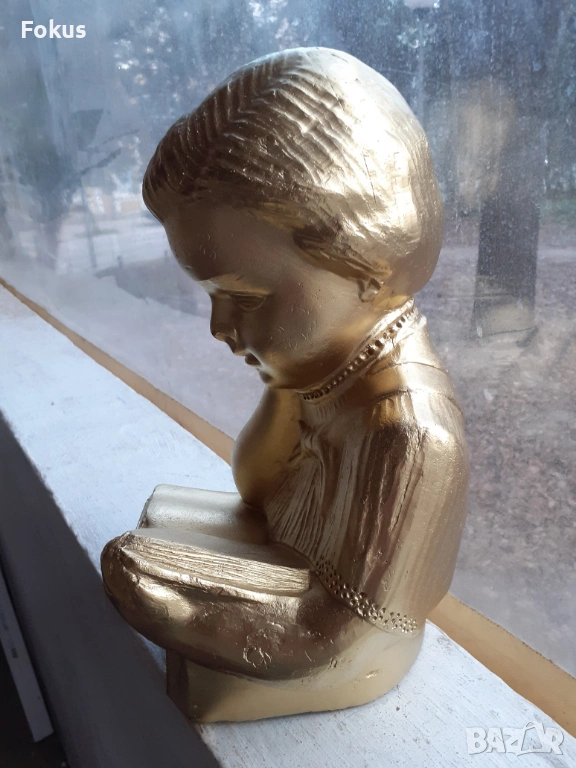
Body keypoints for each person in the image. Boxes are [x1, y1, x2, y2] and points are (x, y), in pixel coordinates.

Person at [101, 47, 468, 721]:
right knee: (160, 518)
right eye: (212, 297)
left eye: (244, 297)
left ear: (367, 265)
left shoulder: (410, 437)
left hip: (347, 644)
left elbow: (338, 635)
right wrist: (285, 385)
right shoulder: (327, 369)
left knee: (133, 562)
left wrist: (155, 590)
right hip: (298, 572)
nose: (219, 327)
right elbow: (257, 491)